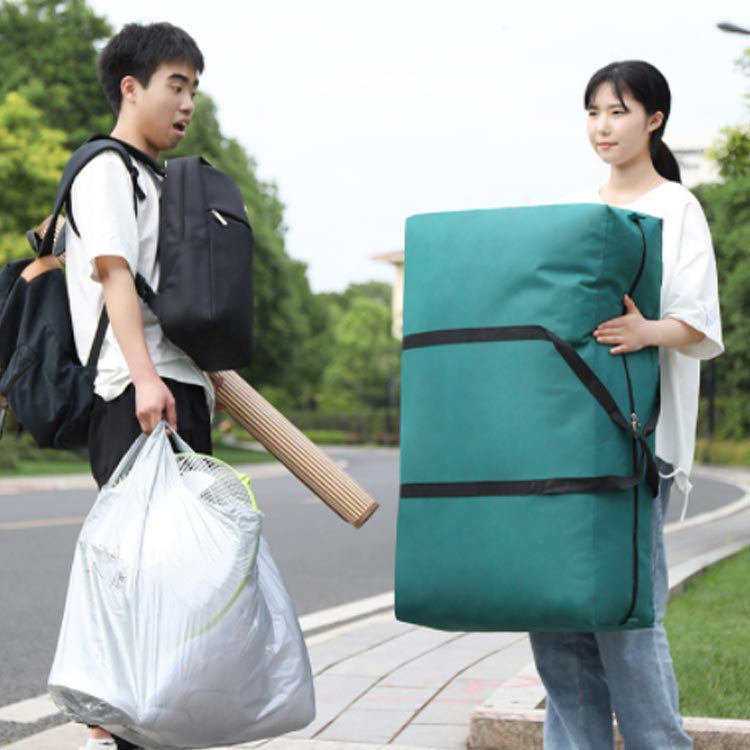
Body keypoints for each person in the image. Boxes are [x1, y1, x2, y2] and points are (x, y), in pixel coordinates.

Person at [529, 60, 723, 750]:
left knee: (626, 619)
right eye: (593, 113)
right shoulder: (574, 207)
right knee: (555, 617)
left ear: (654, 120)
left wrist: (646, 332)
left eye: (618, 111)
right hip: (564, 438)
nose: (602, 127)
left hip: (637, 443)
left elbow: (698, 323)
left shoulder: (678, 207)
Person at [64, 22, 214, 750]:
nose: (187, 104)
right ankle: (115, 734)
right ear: (132, 87)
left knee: (177, 580)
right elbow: (113, 275)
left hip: (174, 389)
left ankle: (143, 731)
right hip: (136, 394)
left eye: (195, 90)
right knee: (144, 576)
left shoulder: (160, 180)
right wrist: (148, 380)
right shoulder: (105, 169)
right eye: (175, 85)